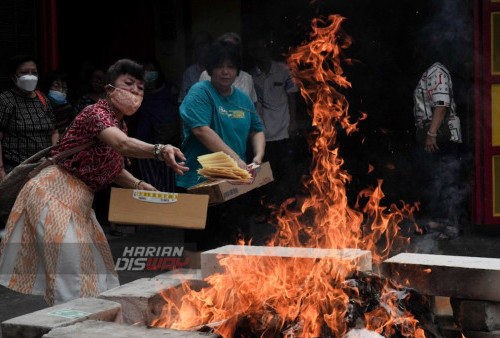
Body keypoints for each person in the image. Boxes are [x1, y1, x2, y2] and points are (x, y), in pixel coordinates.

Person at [0, 58, 188, 305]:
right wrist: (160, 149)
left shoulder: (119, 125)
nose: (134, 92)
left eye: (139, 88)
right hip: (52, 194)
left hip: (79, 205)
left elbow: (114, 168)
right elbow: (122, 145)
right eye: (128, 84)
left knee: (100, 276)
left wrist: (139, 186)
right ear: (110, 89)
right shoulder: (95, 113)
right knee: (72, 279)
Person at [176, 40, 265, 249]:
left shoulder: (242, 98)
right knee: (199, 250)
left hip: (234, 181)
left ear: (237, 70)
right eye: (219, 66)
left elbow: (257, 129)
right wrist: (236, 159)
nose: (225, 72)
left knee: (236, 243)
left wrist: (257, 157)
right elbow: (200, 129)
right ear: (210, 68)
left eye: (231, 66)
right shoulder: (200, 91)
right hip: (199, 182)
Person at [412, 61, 464, 240]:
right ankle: (440, 221)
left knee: (447, 179)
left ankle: (451, 226)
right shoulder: (432, 72)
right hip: (440, 135)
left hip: (443, 136)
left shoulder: (437, 71)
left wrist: (431, 133)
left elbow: (441, 106)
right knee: (438, 179)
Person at [248, 37, 299, 204]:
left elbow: (292, 97)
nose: (260, 52)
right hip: (260, 133)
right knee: (263, 175)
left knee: (284, 172)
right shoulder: (250, 76)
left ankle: (287, 208)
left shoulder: (284, 70)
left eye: (262, 48)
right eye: (256, 49)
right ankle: (267, 209)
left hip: (282, 130)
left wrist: (293, 122)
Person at [0, 55, 59, 179]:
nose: (30, 76)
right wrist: (1, 171)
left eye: (34, 72)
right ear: (13, 76)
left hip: (44, 168)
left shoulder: (42, 98)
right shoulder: (5, 100)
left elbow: (54, 131)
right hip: (16, 169)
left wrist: (54, 158)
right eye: (24, 72)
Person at [134, 58, 181, 192]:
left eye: (152, 70)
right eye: (145, 71)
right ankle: (154, 212)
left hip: (168, 143)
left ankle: (169, 212)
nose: (149, 73)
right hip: (144, 143)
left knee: (169, 184)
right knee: (151, 184)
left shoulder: (170, 90)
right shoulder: (137, 92)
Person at [199, 32, 258, 104]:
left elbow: (252, 108)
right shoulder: (206, 75)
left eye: (233, 48)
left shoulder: (247, 78)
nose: (225, 72)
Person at [177, 31, 213, 104]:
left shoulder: (221, 70)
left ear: (211, 46)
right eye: (196, 45)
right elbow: (182, 101)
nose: (200, 48)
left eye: (203, 44)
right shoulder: (190, 72)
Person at [39, 70, 74, 134]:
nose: (60, 90)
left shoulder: (68, 109)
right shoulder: (39, 108)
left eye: (64, 87)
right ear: (47, 87)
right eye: (56, 86)